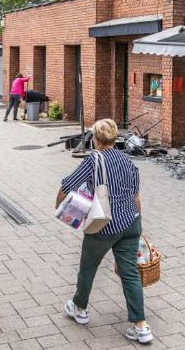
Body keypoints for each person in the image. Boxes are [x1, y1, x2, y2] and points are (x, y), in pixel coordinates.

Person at [56, 119, 153, 344]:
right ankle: (141, 326)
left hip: (104, 224)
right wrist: (138, 222)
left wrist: (58, 205)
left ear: (97, 139)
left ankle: (79, 308)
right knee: (130, 273)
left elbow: (68, 184)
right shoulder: (127, 159)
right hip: (130, 223)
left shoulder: (94, 159)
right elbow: (136, 196)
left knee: (88, 267)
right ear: (115, 136)